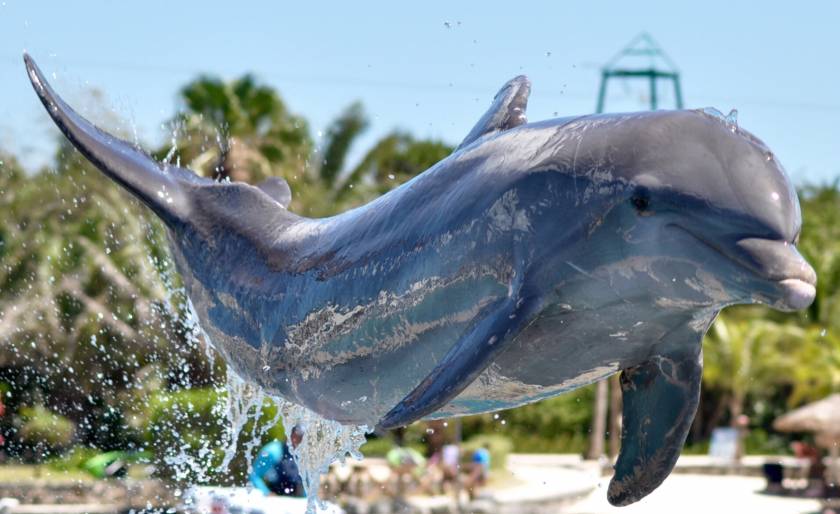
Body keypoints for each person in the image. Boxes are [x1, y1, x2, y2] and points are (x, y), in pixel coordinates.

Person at [250, 426, 305, 497]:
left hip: (294, 501)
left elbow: (305, 483)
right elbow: (254, 475)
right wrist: (267, 493)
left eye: (301, 438)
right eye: (296, 436)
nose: (297, 440)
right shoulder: (272, 452)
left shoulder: (300, 455)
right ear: (287, 435)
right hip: (275, 500)